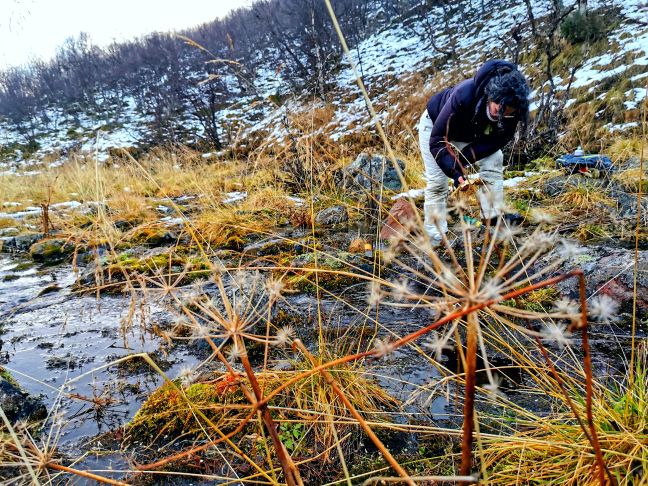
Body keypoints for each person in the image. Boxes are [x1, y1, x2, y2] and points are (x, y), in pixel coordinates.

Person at [418, 59, 530, 243]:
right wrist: (455, 170)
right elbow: (438, 140)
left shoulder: (515, 109)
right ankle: (435, 235)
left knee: (495, 158)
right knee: (438, 182)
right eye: (498, 107)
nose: (501, 114)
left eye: (507, 112)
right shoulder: (465, 95)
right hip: (435, 128)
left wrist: (463, 159)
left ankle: (492, 217)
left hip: (469, 134)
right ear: (491, 94)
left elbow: (498, 140)